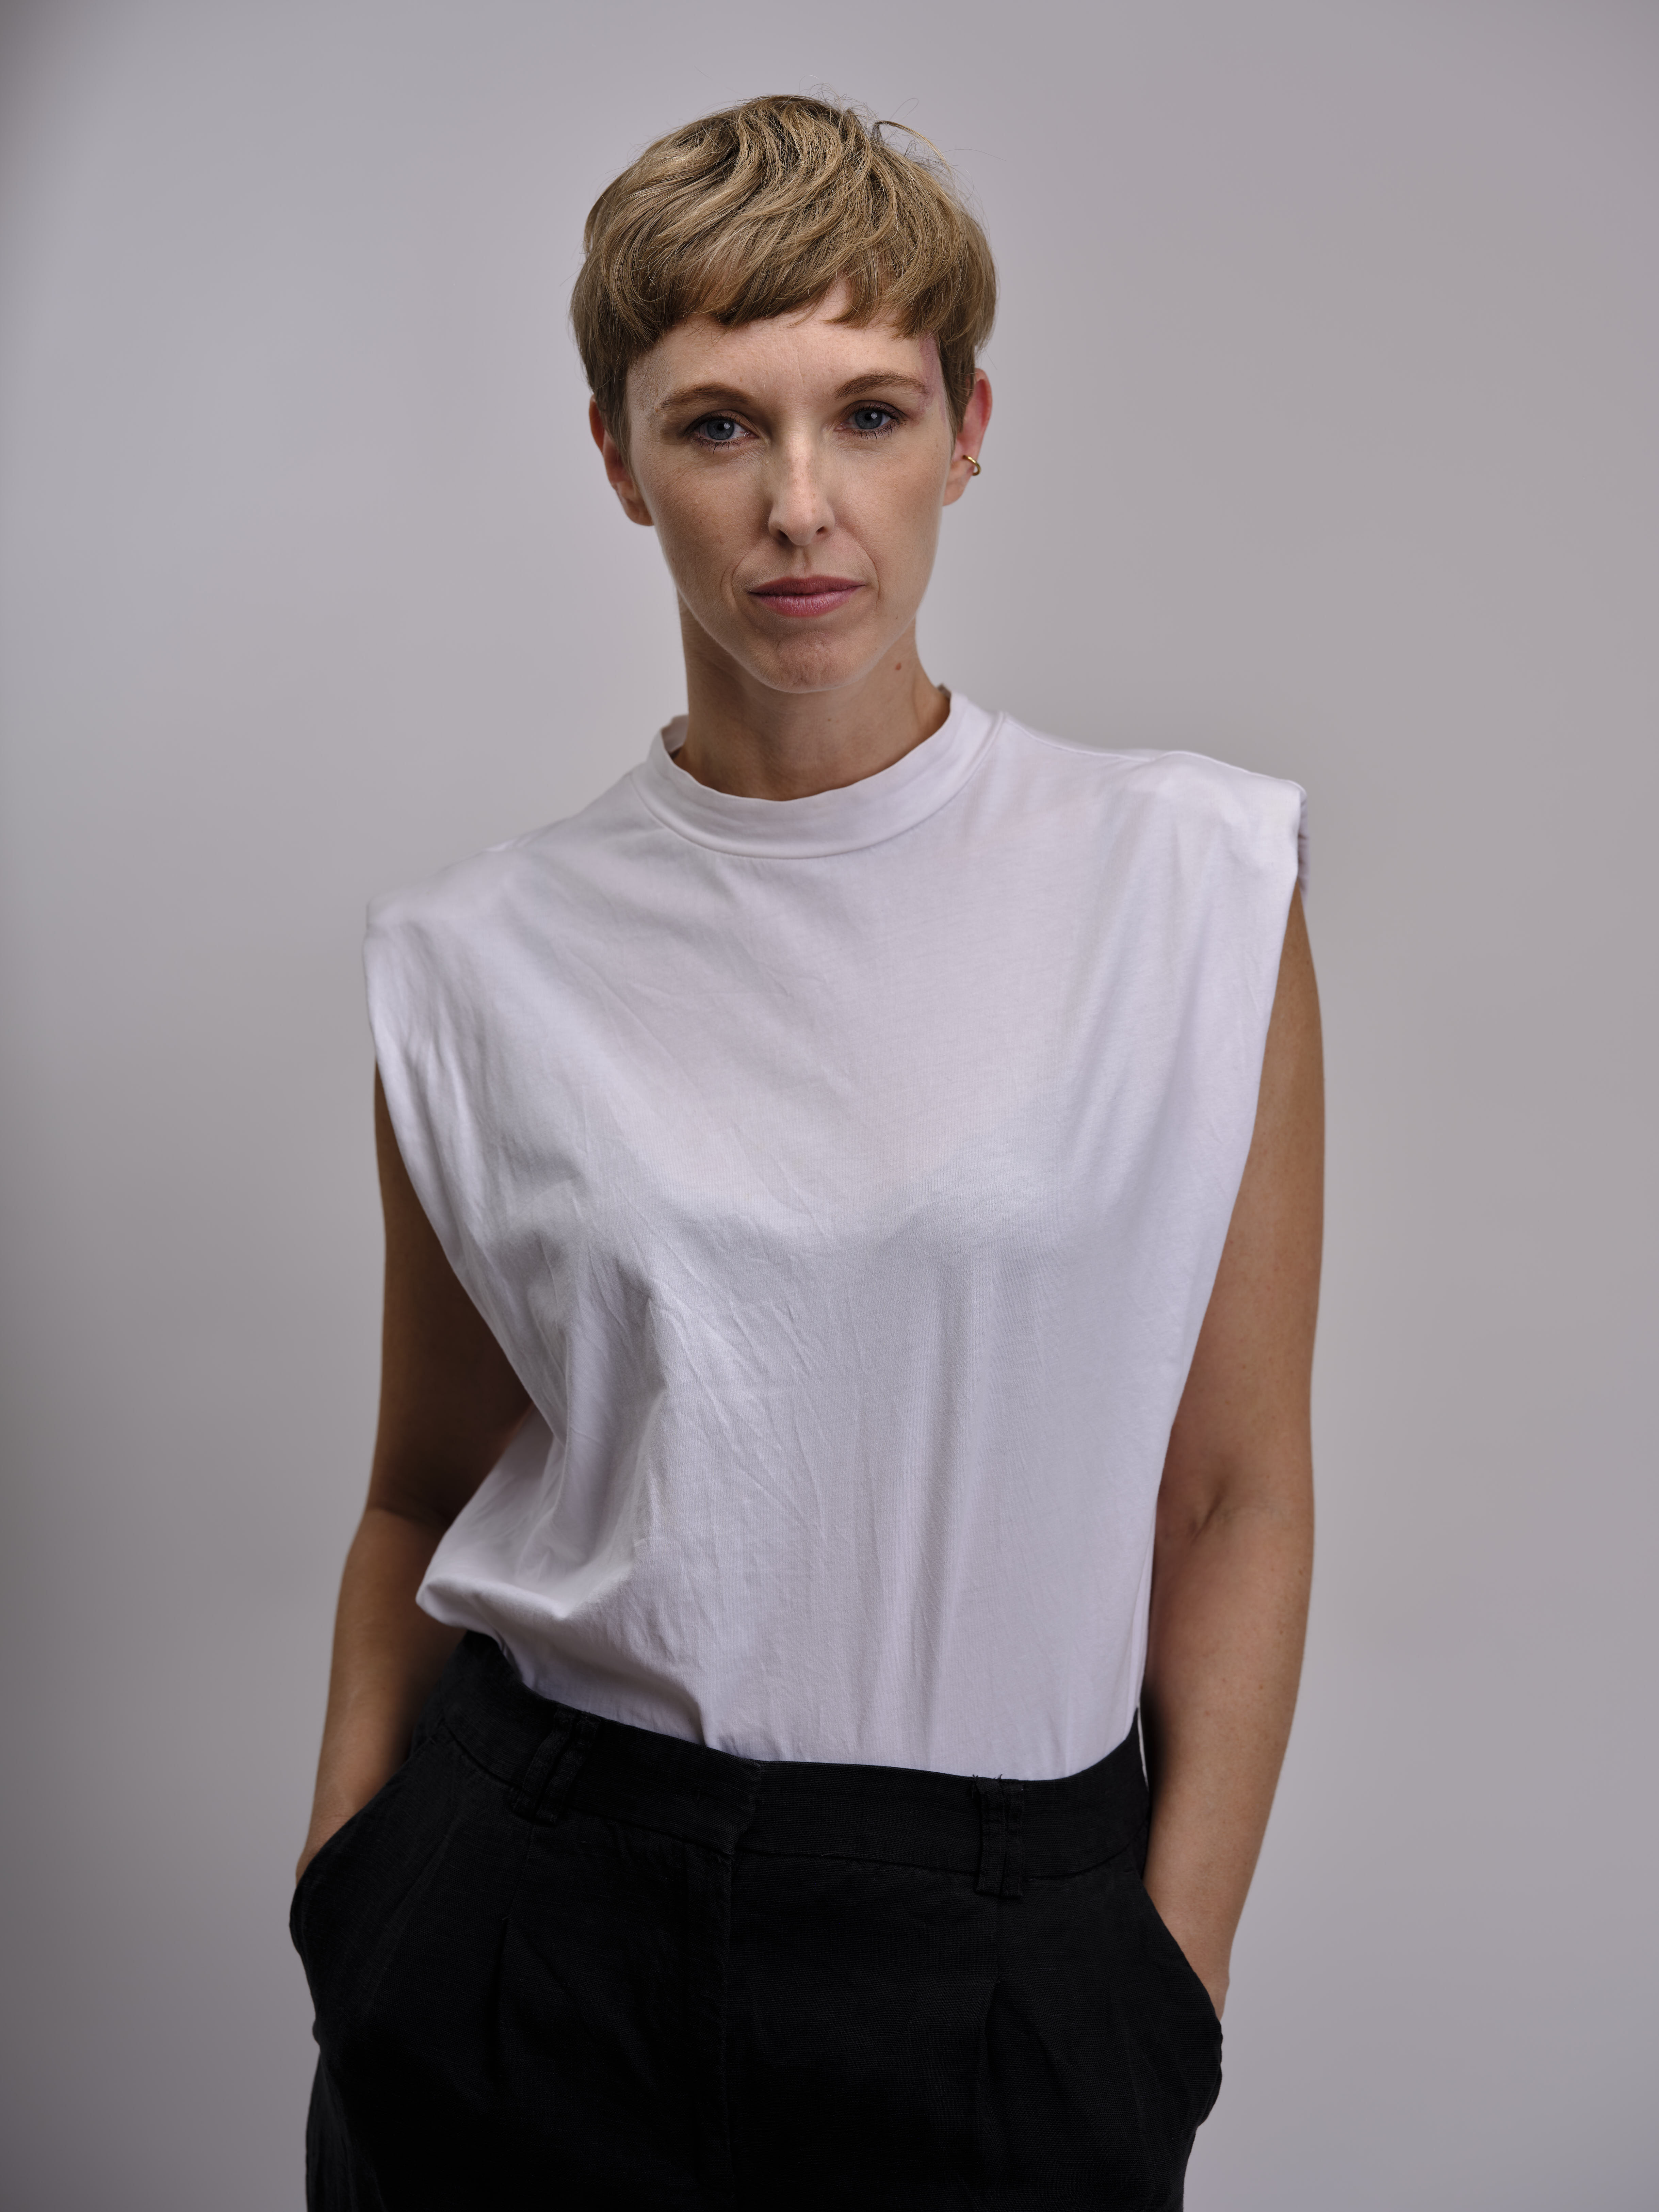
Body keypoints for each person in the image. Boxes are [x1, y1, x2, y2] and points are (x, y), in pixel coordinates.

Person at [291, 93, 1321, 2211]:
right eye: (716, 426)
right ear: (619, 459)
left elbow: (1231, 1492)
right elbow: (422, 1487)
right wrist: (352, 1898)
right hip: (534, 1934)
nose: (799, 507)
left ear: (966, 430)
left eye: (865, 412)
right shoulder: (475, 958)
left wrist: (1163, 1987)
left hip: (999, 1950)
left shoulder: (1194, 884)